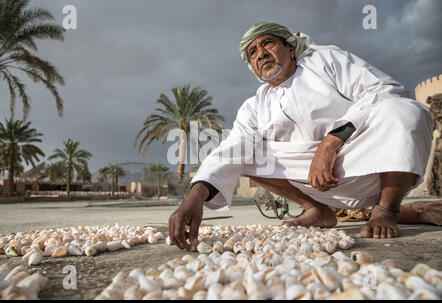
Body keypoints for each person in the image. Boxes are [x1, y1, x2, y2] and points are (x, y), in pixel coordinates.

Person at [168, 22, 434, 250]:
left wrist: (331, 142)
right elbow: (232, 149)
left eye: (268, 44)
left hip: (369, 164)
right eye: (253, 53)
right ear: (252, 66)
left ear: (291, 49)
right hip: (313, 184)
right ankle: (317, 210)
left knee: (406, 111)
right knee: (243, 152)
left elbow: (384, 89)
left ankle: (386, 210)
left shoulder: (325, 61)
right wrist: (194, 196)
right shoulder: (254, 107)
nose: (261, 54)